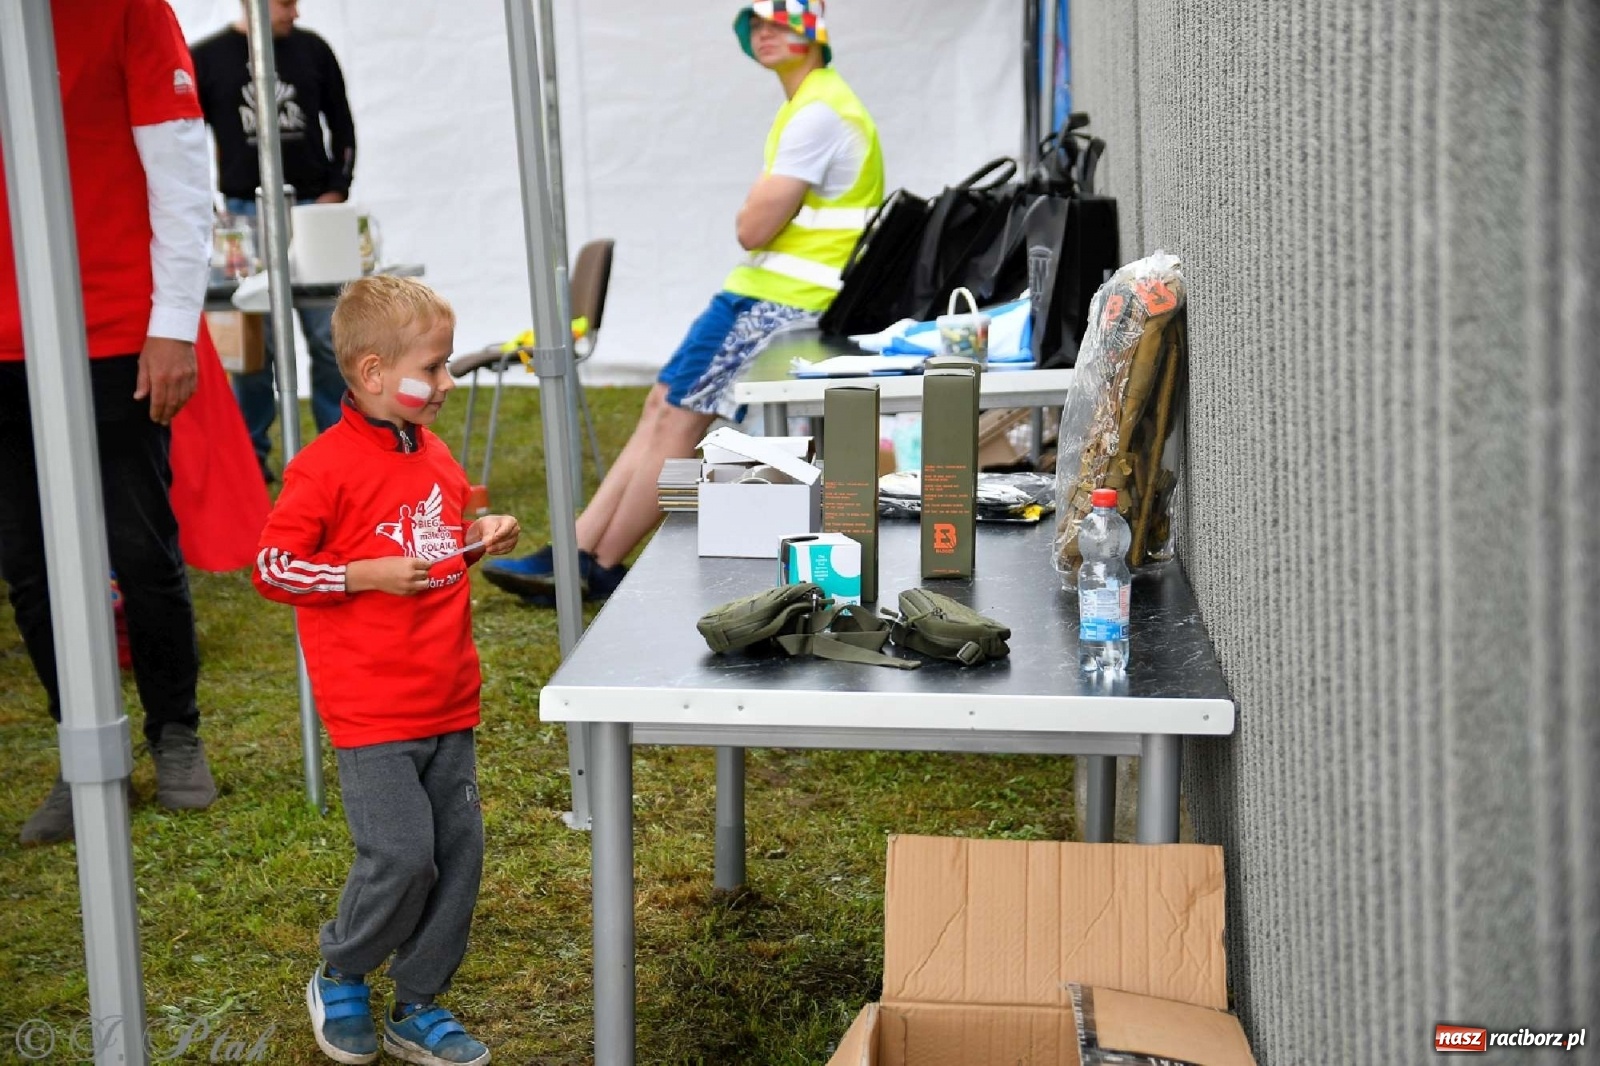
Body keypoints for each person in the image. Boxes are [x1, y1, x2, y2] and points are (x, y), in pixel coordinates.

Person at [482, 0, 882, 605]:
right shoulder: (812, 104)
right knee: (662, 407)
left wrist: (757, 206)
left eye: (780, 22)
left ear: (813, 31)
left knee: (679, 419)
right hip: (760, 293)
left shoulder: (819, 111)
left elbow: (752, 227)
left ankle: (598, 562)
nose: (765, 33)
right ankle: (576, 551)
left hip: (779, 300)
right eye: (756, 23)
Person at [252, 276, 518, 1066]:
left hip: (449, 697)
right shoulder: (322, 469)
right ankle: (342, 971)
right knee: (402, 856)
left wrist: (479, 534)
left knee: (458, 857)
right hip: (372, 710)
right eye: (432, 368)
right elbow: (272, 567)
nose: (447, 382)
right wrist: (357, 576)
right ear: (373, 373)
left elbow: (435, 542)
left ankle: (419, 1002)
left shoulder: (433, 454)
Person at [0, 0, 220, 846]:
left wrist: (173, 324)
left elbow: (180, 171)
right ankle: (82, 747)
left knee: (139, 547)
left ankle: (175, 733)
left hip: (113, 331)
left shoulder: (128, 8)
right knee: (29, 566)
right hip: (5, 350)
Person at [190, 0, 357, 482]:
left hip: (313, 211)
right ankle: (251, 453)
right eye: (285, 3)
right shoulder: (208, 57)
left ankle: (339, 449)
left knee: (331, 335)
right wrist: (207, 207)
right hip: (243, 215)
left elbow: (342, 125)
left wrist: (337, 189)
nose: (295, 13)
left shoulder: (313, 50)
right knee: (252, 345)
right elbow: (185, 140)